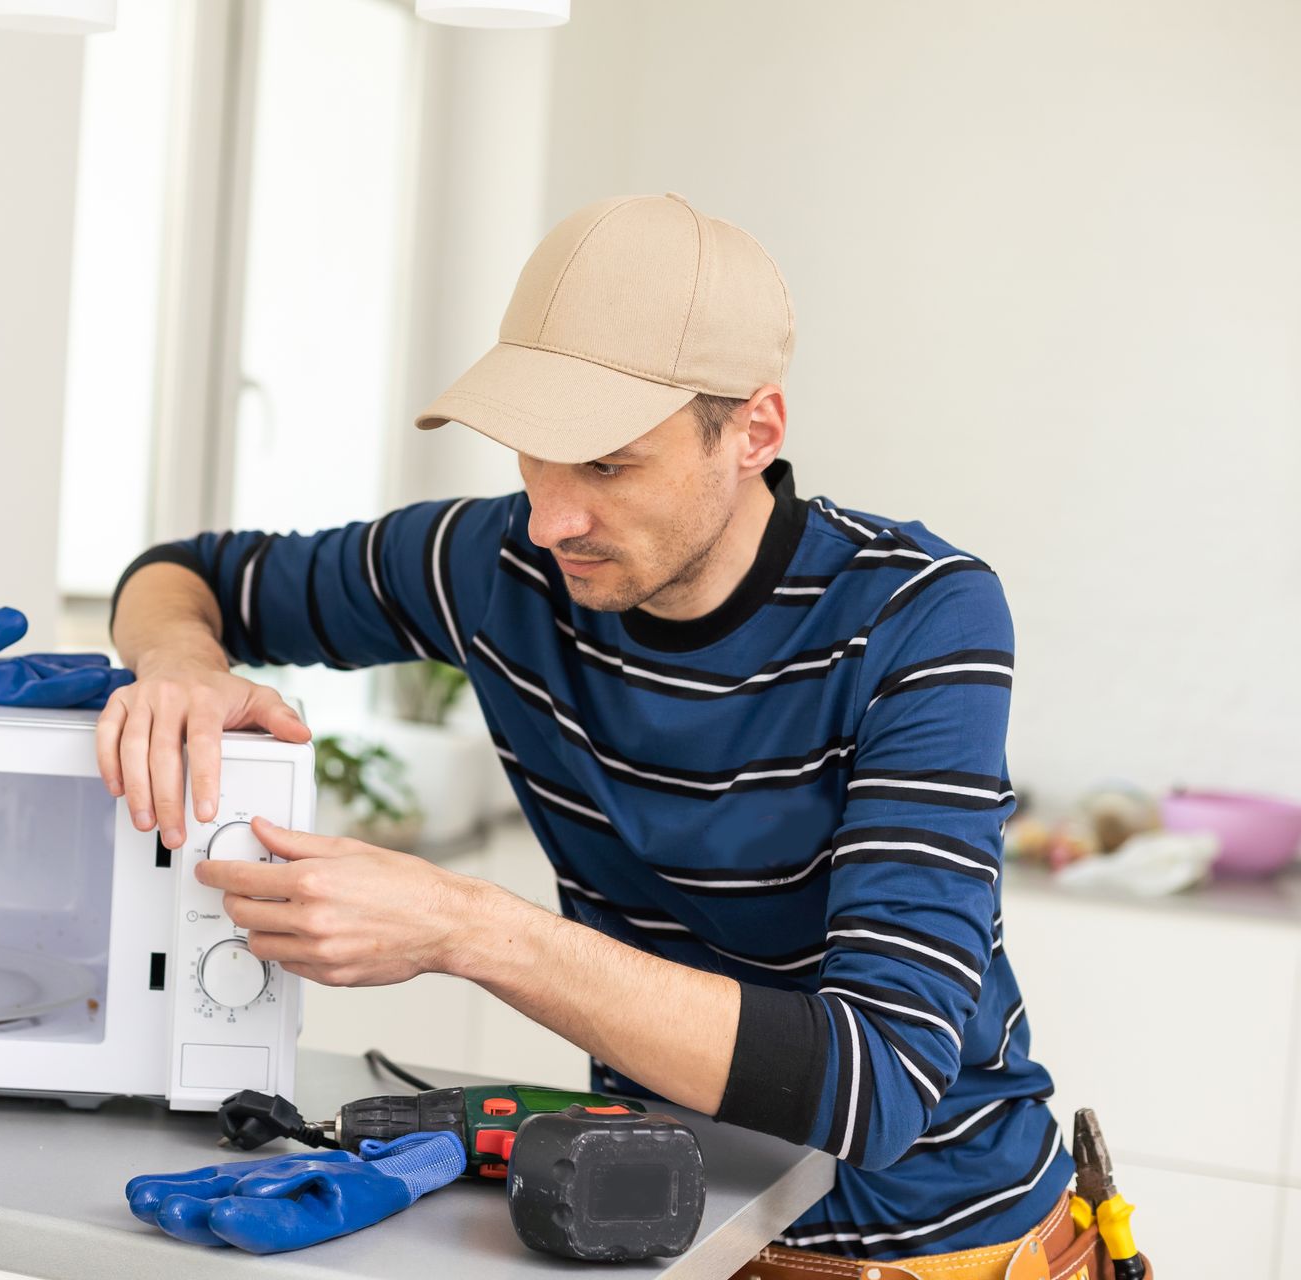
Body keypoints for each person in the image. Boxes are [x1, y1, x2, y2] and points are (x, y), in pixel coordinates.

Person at [100, 194, 1094, 1276]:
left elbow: (881, 1079)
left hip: (949, 1249)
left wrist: (468, 927)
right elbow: (182, 575)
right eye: (533, 455)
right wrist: (181, 665)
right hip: (667, 1234)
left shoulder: (918, 617)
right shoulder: (497, 569)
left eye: (608, 464)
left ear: (755, 431)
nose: (549, 517)